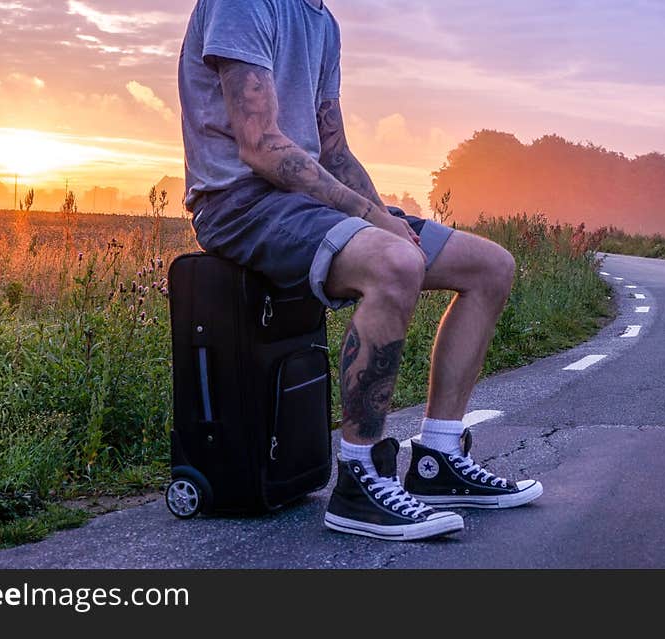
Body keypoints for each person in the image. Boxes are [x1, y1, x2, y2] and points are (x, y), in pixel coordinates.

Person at [178, 0, 542, 541]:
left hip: (305, 202)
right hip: (241, 204)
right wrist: (375, 223)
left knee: (490, 266)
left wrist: (388, 217)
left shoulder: (322, 20)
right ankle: (359, 478)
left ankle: (437, 459)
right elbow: (260, 147)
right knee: (395, 263)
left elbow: (334, 150)